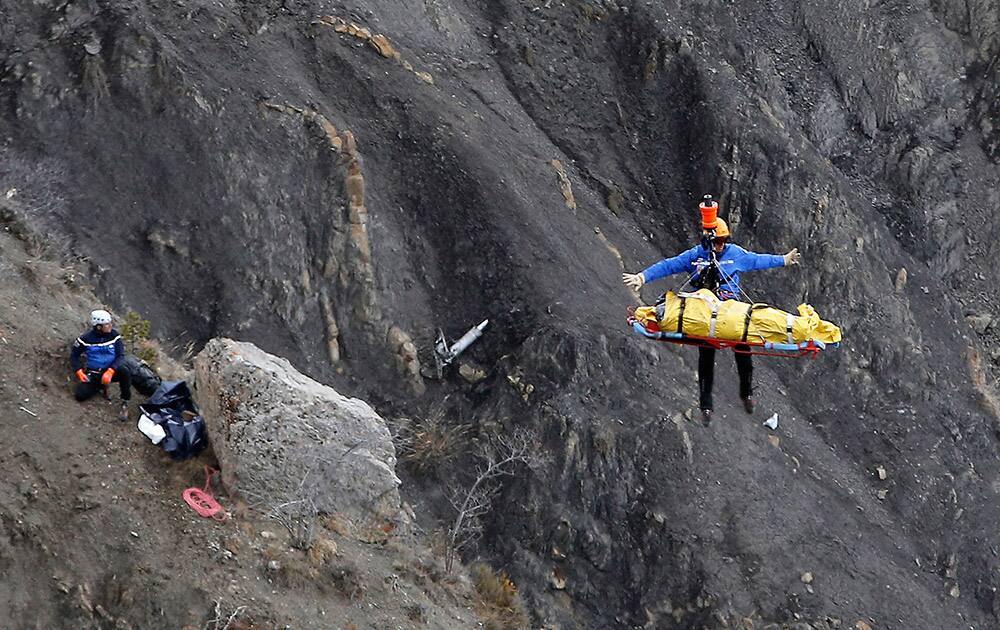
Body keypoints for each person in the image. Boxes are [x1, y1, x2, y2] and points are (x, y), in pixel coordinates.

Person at [623, 201, 801, 426]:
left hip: (730, 310)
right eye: (716, 241)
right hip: (704, 312)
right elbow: (669, 265)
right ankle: (706, 406)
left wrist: (783, 260)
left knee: (743, 351)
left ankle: (746, 393)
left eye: (723, 241)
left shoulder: (735, 254)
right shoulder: (696, 255)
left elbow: (757, 260)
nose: (719, 245)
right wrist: (643, 277)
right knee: (706, 357)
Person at [71, 309, 132, 422]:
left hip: (110, 371)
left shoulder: (114, 336)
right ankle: (100, 386)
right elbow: (74, 356)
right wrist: (78, 371)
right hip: (94, 373)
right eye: (107, 324)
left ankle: (125, 401)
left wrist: (111, 371)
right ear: (98, 327)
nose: (110, 326)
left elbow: (120, 355)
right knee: (80, 395)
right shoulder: (85, 339)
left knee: (125, 371)